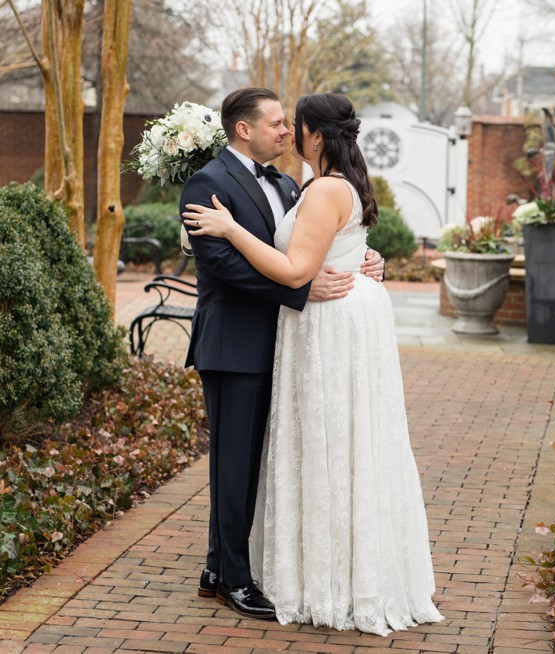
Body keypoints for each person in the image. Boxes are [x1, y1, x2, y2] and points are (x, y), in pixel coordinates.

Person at [183, 92, 443, 635]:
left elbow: (317, 244)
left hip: (301, 342)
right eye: (275, 123)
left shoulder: (289, 184)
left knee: (273, 458)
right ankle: (232, 575)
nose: (284, 132)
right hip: (237, 343)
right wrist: (299, 291)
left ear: (316, 135)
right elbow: (224, 266)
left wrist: (360, 258)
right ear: (243, 129)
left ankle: (220, 566)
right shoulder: (208, 183)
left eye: (290, 124)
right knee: (235, 464)